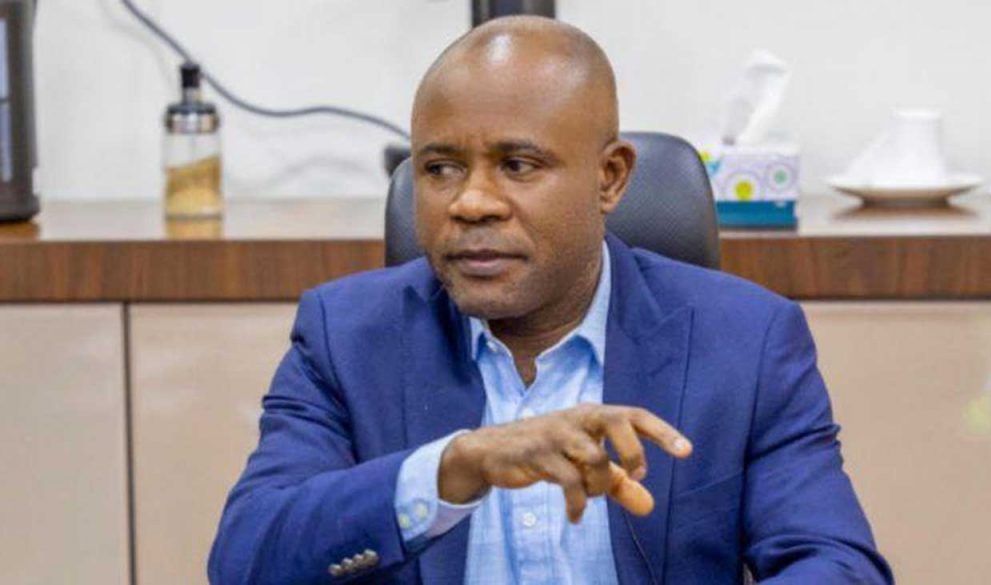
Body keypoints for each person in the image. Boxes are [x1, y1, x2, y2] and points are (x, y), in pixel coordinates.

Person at [208, 16, 892, 585]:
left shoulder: (746, 339)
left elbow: (835, 564)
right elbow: (246, 558)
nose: (472, 202)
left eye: (518, 165)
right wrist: (457, 466)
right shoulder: (345, 335)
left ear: (610, 177)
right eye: (440, 168)